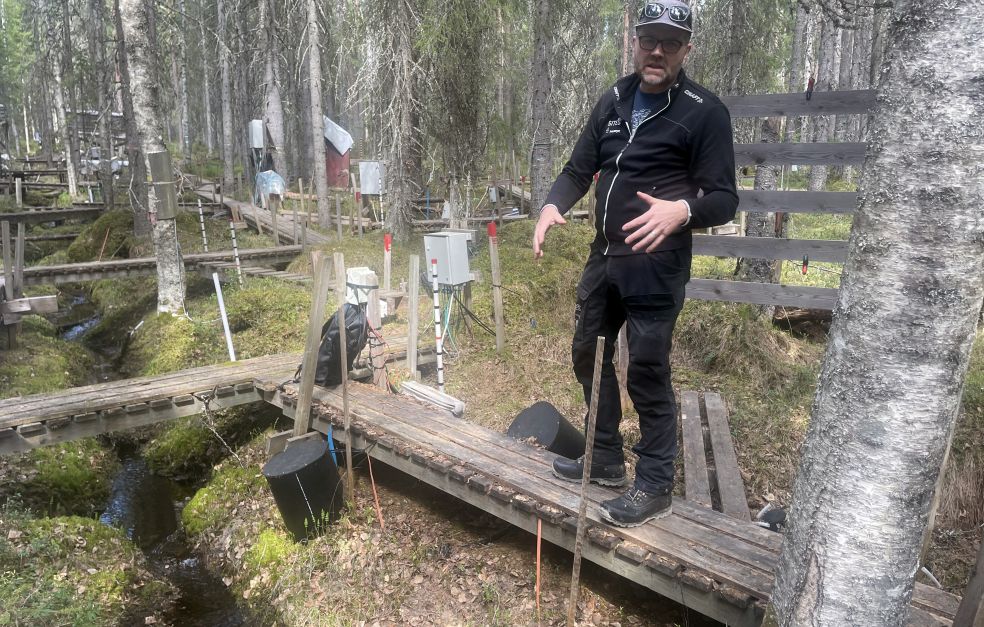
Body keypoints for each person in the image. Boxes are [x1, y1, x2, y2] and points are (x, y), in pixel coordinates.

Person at [532, 0, 738, 527]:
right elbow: (578, 169)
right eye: (649, 39)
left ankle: (653, 483)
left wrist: (682, 210)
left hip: (656, 262)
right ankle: (602, 457)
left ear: (686, 50)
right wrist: (553, 205)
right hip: (604, 258)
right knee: (587, 353)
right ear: (635, 41)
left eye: (670, 42)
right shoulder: (615, 99)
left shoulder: (703, 111)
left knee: (646, 369)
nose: (657, 51)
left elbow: (724, 198)